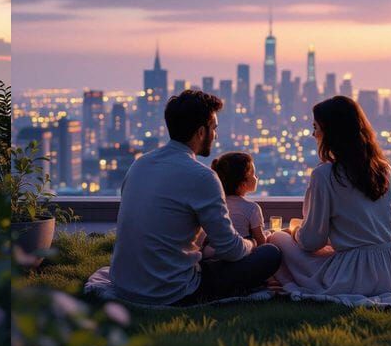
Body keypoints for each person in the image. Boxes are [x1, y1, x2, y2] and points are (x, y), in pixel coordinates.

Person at [267, 96, 391, 306]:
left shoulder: (324, 175)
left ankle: (283, 274)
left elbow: (312, 241)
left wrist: (295, 231)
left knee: (277, 238)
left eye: (316, 127)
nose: (313, 134)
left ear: (331, 132)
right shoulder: (384, 169)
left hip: (354, 277)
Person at [108, 89, 281, 305]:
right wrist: (253, 243)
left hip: (124, 284)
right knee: (270, 254)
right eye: (214, 128)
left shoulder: (139, 164)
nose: (215, 135)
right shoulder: (202, 176)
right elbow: (231, 250)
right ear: (201, 132)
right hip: (172, 291)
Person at [210, 152, 266, 246]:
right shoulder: (252, 208)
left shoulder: (215, 204)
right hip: (243, 250)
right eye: (253, 174)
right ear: (243, 184)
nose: (256, 177)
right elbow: (261, 241)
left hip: (218, 249)